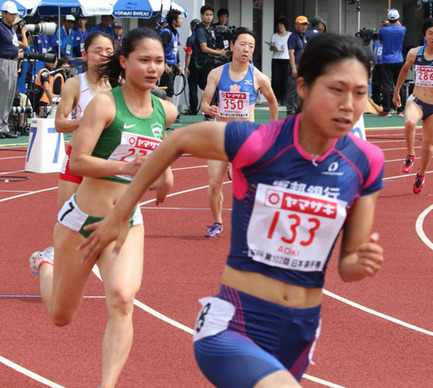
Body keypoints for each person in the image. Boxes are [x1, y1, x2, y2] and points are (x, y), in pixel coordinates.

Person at [77, 32, 384, 388]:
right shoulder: (260, 142)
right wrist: (120, 213)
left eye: (360, 93)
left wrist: (359, 265)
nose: (349, 104)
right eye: (336, 89)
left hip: (298, 331)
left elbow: (347, 266)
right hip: (234, 325)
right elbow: (177, 140)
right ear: (303, 87)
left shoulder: (366, 163)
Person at [28, 27, 177, 388]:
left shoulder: (166, 111)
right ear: (124, 63)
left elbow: (158, 152)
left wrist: (165, 175)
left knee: (123, 299)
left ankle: (106, 385)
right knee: (62, 316)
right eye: (144, 60)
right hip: (81, 220)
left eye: (159, 61)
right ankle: (46, 265)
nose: (153, 68)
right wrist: (127, 168)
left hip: (126, 219)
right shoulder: (105, 104)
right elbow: (77, 161)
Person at [200, 27, 279, 238]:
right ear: (232, 46)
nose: (246, 49)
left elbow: (273, 102)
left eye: (251, 46)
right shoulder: (216, 74)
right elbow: (204, 104)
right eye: (242, 44)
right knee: (214, 182)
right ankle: (217, 222)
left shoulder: (259, 78)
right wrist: (208, 108)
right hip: (220, 135)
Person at [393, 17, 433, 194]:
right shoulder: (414, 53)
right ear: (425, 35)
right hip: (417, 100)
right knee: (410, 122)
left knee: (428, 146)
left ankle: (421, 174)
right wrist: (396, 91)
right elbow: (404, 71)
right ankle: (410, 154)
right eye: (430, 33)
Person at [54, 31, 114, 209]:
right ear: (85, 54)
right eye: (98, 51)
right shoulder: (75, 84)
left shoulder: (120, 85)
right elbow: (59, 123)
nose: (104, 56)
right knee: (66, 218)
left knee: (103, 220)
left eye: (109, 52)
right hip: (78, 156)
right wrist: (87, 122)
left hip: (108, 158)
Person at [0, 0, 27, 139]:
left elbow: (17, 44)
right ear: (3, 14)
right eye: (10, 14)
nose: (13, 17)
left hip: (12, 62)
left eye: (14, 14)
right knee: (2, 93)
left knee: (9, 94)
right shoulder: (0, 27)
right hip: (3, 61)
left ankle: (4, 125)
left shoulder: (11, 29)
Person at [377, 8, 406, 117]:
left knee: (386, 85)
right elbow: (399, 25)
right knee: (399, 85)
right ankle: (400, 110)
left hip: (386, 60)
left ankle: (387, 110)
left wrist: (387, 22)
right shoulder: (402, 29)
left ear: (389, 18)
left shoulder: (383, 30)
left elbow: (380, 40)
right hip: (398, 60)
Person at [286, 15, 308, 116]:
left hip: (303, 65)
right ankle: (290, 109)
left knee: (300, 87)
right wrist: (294, 68)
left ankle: (297, 108)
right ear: (296, 25)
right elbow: (291, 53)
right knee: (292, 89)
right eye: (302, 24)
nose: (304, 27)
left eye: (305, 24)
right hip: (295, 64)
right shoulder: (293, 37)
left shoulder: (304, 37)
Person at [159, 9, 182, 102]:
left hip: (172, 65)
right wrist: (164, 64)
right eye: (180, 19)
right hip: (166, 65)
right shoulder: (166, 32)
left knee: (169, 90)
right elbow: (160, 49)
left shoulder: (176, 33)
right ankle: (168, 113)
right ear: (174, 21)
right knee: (166, 90)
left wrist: (179, 63)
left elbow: (176, 49)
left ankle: (169, 112)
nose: (181, 21)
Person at [269, 18, 290, 106]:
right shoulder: (274, 36)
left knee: (286, 79)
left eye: (281, 25)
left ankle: (284, 98)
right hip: (276, 59)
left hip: (286, 58)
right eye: (278, 25)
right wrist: (273, 48)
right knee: (276, 79)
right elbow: (270, 48)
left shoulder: (290, 35)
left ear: (285, 26)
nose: (279, 27)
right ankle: (276, 97)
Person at [183, 18, 201, 114]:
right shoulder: (204, 37)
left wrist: (186, 67)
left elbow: (188, 53)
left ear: (192, 27)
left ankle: (193, 109)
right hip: (205, 66)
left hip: (193, 66)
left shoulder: (191, 39)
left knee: (193, 88)